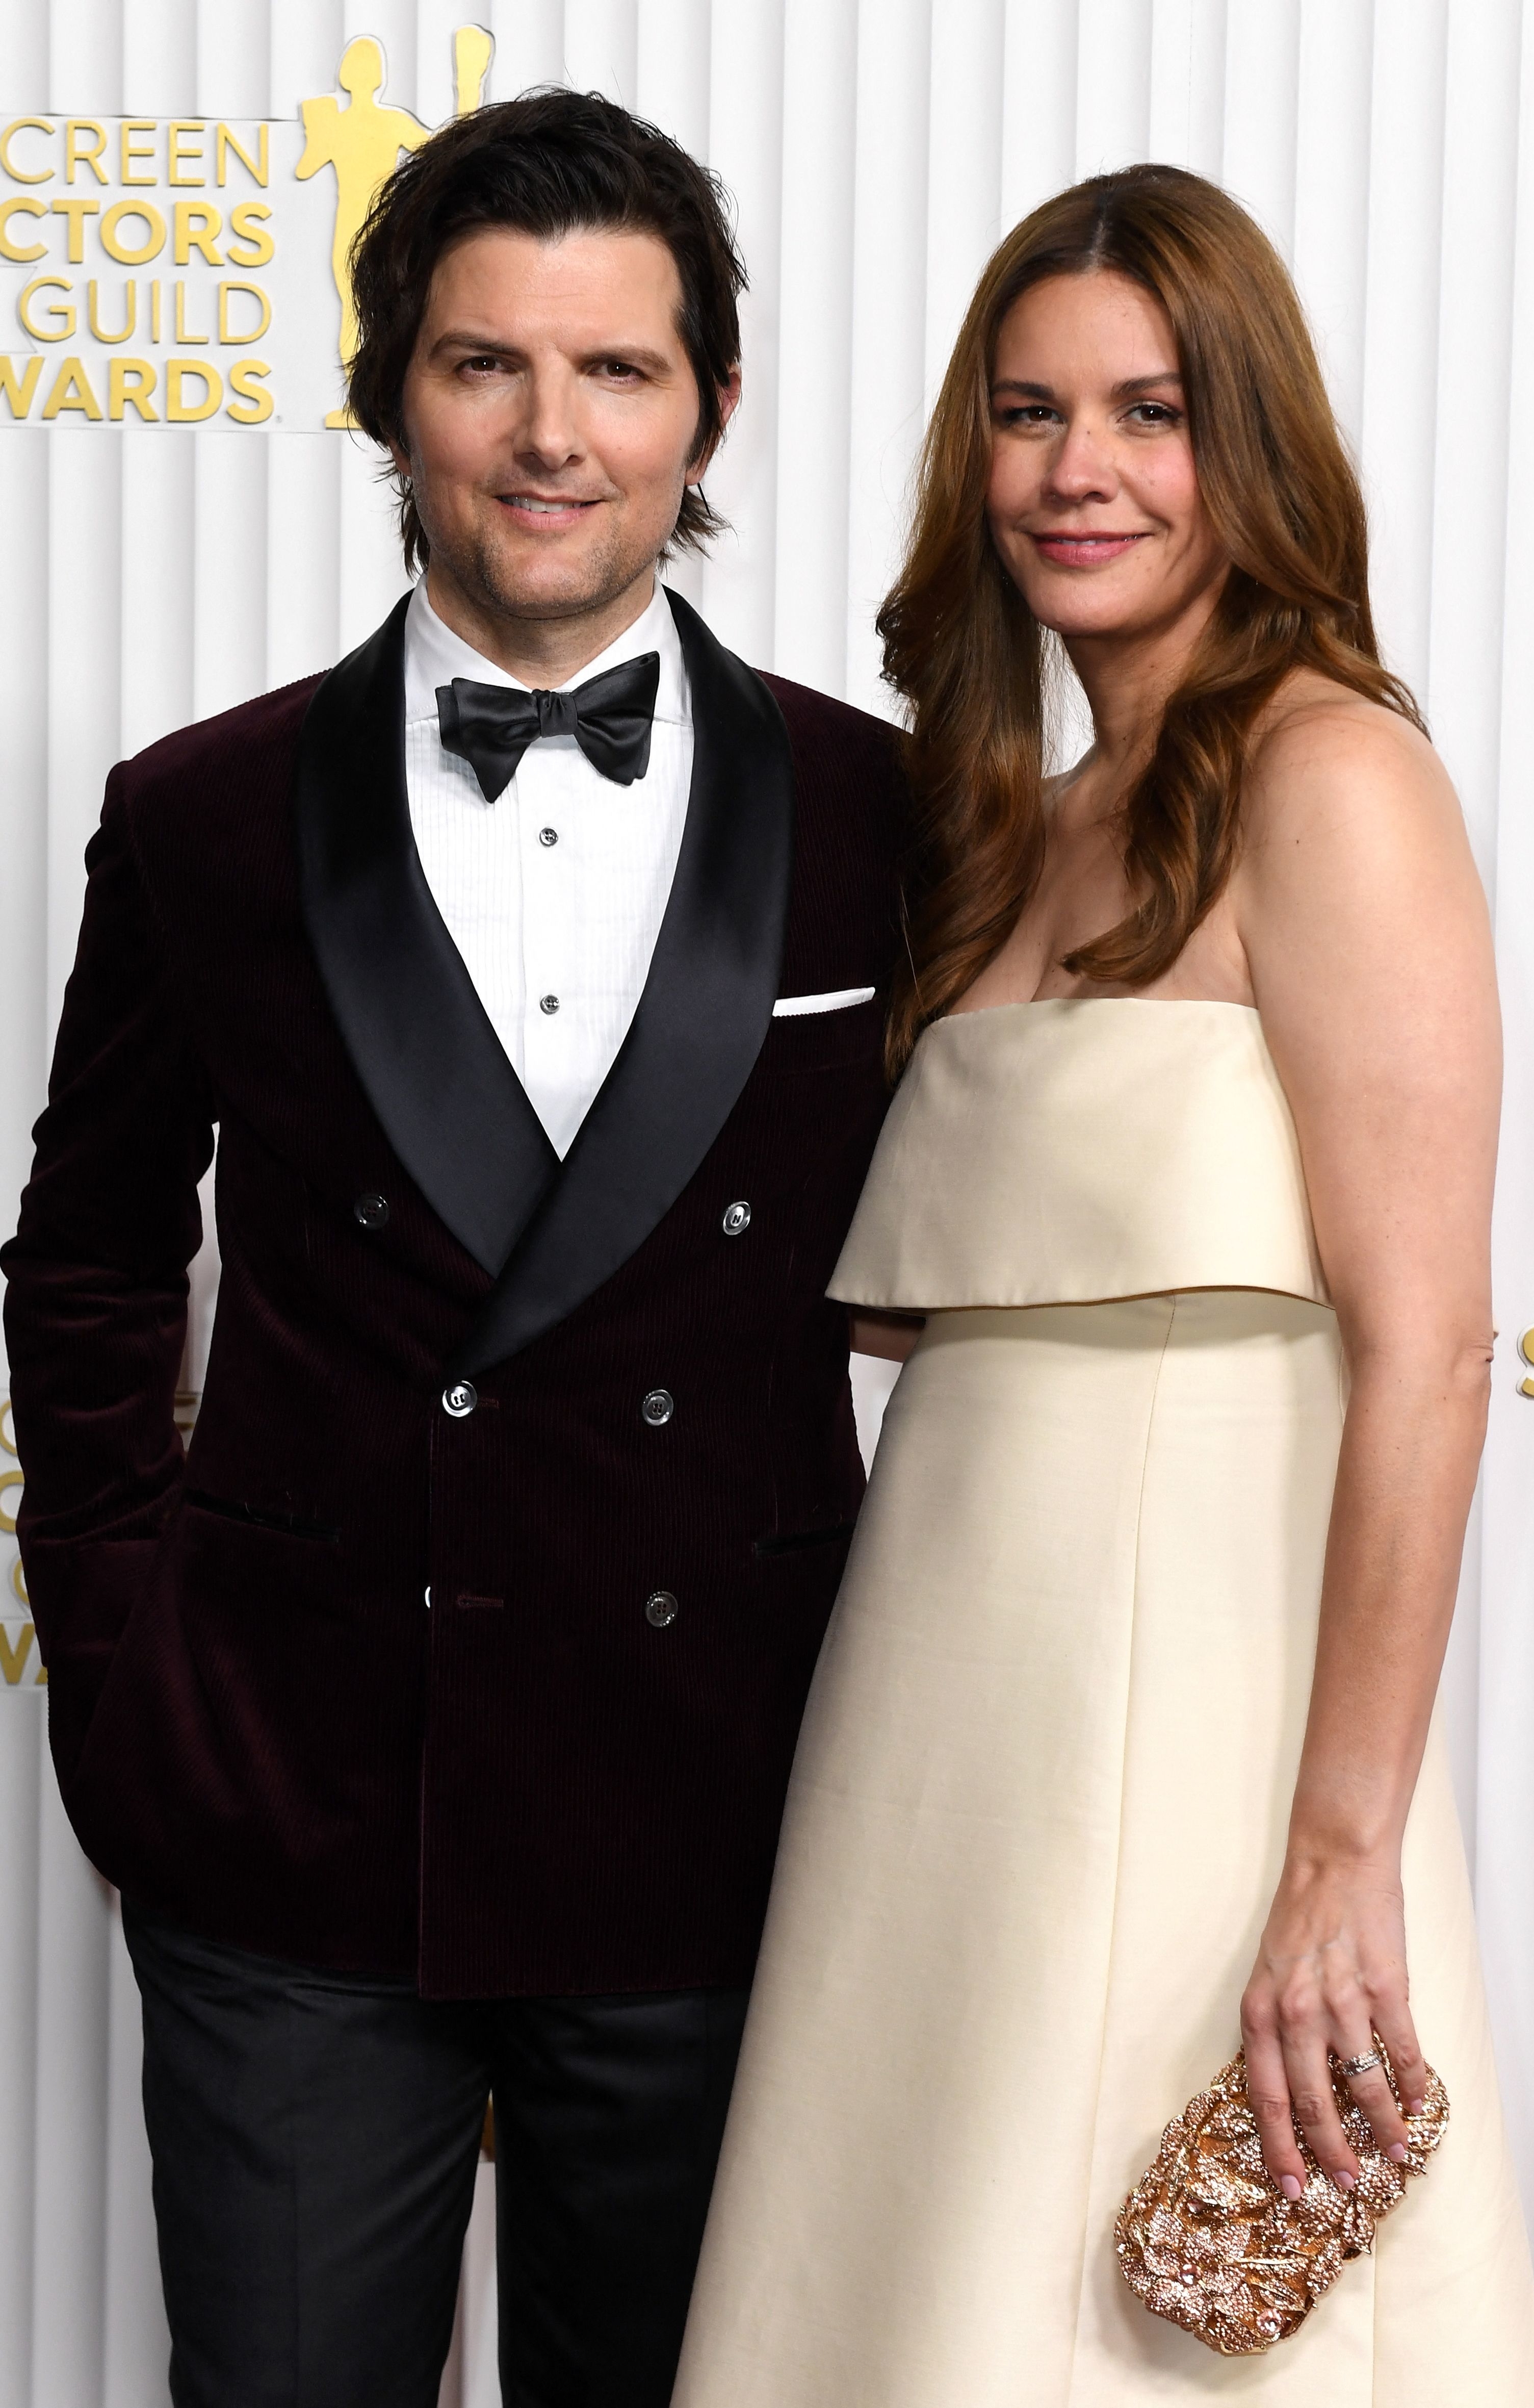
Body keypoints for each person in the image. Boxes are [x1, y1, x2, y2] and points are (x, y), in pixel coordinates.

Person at [0, 91, 906, 2408]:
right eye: (485, 362)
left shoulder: (885, 809)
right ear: (389, 387)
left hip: (730, 1818)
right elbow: (90, 1256)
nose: (551, 436)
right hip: (296, 1833)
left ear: (711, 399)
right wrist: (123, 1673)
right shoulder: (199, 815)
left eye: (617, 369)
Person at [671, 165, 1534, 2403]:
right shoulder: (1010, 827)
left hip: (1201, 1706)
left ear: (1247, 442)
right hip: (936, 1690)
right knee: (910, 2280)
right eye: (1029, 410)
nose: (1080, 472)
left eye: (1149, 411)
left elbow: (1428, 1344)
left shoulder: (1331, 776)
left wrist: (1342, 1839)